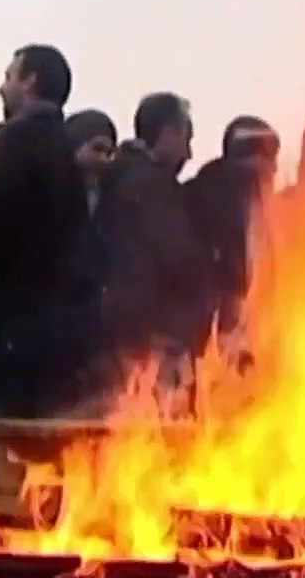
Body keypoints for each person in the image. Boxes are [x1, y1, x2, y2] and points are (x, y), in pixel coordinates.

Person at [0, 44, 91, 419]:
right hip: (59, 323)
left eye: (9, 76)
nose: (1, 88)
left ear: (30, 81)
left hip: (12, 317)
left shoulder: (16, 139)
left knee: (2, 428)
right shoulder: (65, 145)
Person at [98, 92, 211, 391]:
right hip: (153, 331)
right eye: (186, 139)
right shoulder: (151, 187)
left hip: (124, 328)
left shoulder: (121, 178)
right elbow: (179, 256)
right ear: (169, 132)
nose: (189, 153)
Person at [186, 116, 280, 336]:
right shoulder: (224, 205)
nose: (275, 168)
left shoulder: (202, 194)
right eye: (270, 157)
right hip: (221, 330)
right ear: (252, 157)